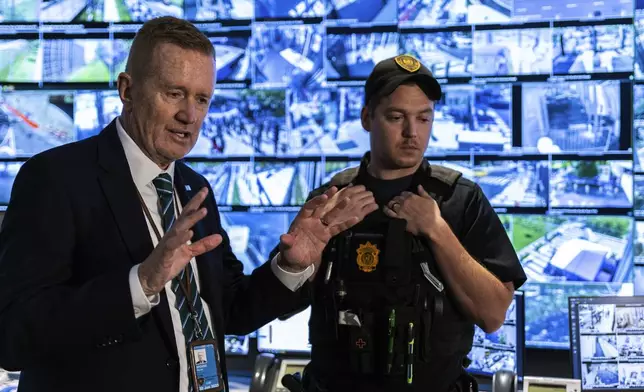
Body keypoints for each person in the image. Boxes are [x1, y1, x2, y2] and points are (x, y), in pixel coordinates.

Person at [0, 17, 377, 392]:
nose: (190, 115)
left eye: (202, 99)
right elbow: (14, 335)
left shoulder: (195, 188)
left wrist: (289, 267)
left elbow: (228, 310)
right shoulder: (56, 178)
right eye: (174, 93)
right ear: (127, 90)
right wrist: (141, 283)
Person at [290, 55, 527, 392]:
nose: (411, 133)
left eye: (423, 118)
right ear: (367, 118)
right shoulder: (331, 200)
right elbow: (282, 304)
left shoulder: (461, 200)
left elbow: (492, 315)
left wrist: (438, 231)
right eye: (396, 117)